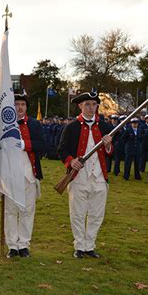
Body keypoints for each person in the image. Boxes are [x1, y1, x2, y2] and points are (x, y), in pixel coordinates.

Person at [57, 92, 113, 259]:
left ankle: (90, 245)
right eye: (87, 104)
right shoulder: (71, 127)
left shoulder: (105, 127)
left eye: (93, 104)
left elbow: (113, 153)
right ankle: (79, 245)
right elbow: (61, 149)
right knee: (78, 213)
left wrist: (109, 146)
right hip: (79, 177)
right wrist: (71, 161)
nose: (91, 107)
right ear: (80, 106)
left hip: (99, 177)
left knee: (97, 214)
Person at [5, 92, 45, 258]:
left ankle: (24, 245)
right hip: (9, 175)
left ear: (26, 107)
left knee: (27, 211)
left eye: (22, 104)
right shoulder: (4, 125)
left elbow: (42, 145)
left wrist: (23, 144)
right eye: (16, 104)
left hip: (29, 173)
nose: (19, 107)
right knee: (10, 212)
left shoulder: (35, 124)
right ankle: (12, 245)